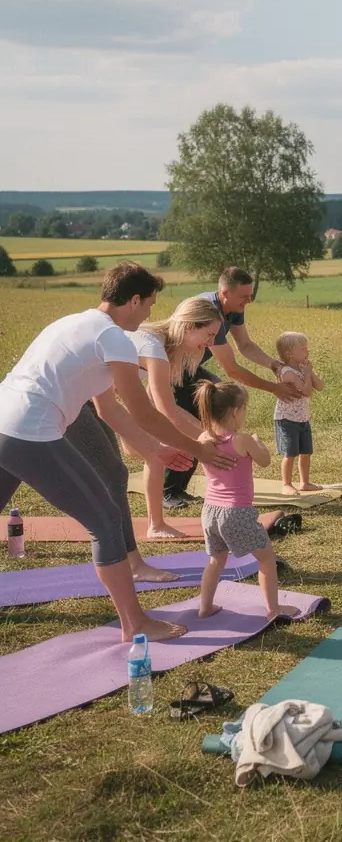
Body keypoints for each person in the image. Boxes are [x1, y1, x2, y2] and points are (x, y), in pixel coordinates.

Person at [0, 262, 235, 642]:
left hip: (3, 423)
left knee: (105, 514)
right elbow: (143, 410)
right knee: (106, 521)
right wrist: (198, 450)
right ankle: (135, 623)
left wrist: (154, 450)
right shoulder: (114, 338)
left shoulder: (71, 323)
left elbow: (109, 410)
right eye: (147, 306)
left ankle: (135, 620)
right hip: (30, 430)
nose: (148, 315)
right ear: (134, 299)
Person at [163, 266, 302, 509]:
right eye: (244, 296)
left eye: (250, 295)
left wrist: (276, 366)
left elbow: (245, 345)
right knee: (198, 422)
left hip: (192, 370)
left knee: (221, 403)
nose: (249, 300)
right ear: (224, 293)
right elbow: (232, 369)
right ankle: (170, 491)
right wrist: (274, 388)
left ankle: (220, 473)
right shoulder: (210, 314)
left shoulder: (233, 309)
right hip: (172, 372)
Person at [195, 381, 298, 621]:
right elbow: (264, 460)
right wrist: (258, 442)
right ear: (235, 411)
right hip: (236, 513)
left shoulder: (203, 438)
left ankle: (205, 607)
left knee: (216, 560)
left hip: (210, 511)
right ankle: (273, 609)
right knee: (266, 558)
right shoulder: (241, 439)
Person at [126, 295, 223, 538]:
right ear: (190, 326)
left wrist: (206, 435)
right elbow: (169, 411)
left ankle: (155, 525)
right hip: (81, 398)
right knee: (127, 463)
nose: (211, 343)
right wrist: (208, 438)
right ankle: (145, 529)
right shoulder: (153, 347)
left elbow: (156, 405)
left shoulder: (162, 350)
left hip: (104, 397)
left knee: (153, 452)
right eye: (209, 334)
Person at [273, 331, 325, 496]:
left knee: (306, 452)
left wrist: (310, 372)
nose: (307, 352)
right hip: (287, 419)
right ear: (290, 354)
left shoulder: (302, 369)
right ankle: (286, 484)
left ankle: (304, 482)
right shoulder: (288, 372)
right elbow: (307, 391)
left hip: (302, 418)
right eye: (303, 349)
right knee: (290, 453)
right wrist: (307, 374)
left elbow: (320, 386)